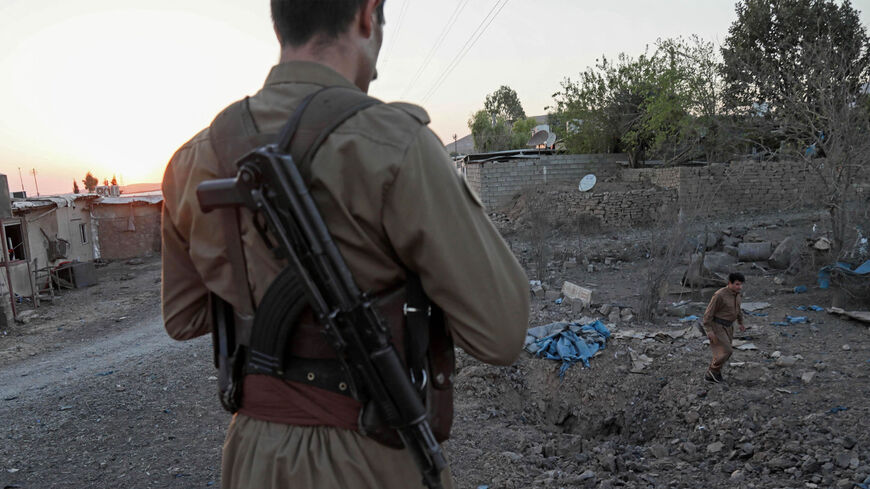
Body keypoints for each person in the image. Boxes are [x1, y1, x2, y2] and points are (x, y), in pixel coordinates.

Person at [160, 1, 530, 488]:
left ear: (281, 19)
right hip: (369, 454)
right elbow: (501, 333)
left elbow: (183, 317)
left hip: (252, 455)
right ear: (365, 13)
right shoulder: (395, 144)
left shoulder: (191, 161)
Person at [702, 272, 746, 383]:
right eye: (737, 284)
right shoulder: (719, 295)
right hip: (717, 326)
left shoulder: (737, 295)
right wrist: (709, 330)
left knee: (720, 353)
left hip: (729, 327)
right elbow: (708, 313)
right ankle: (712, 370)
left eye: (741, 284)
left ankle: (712, 375)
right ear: (729, 283)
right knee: (727, 351)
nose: (739, 287)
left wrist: (740, 323)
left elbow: (738, 310)